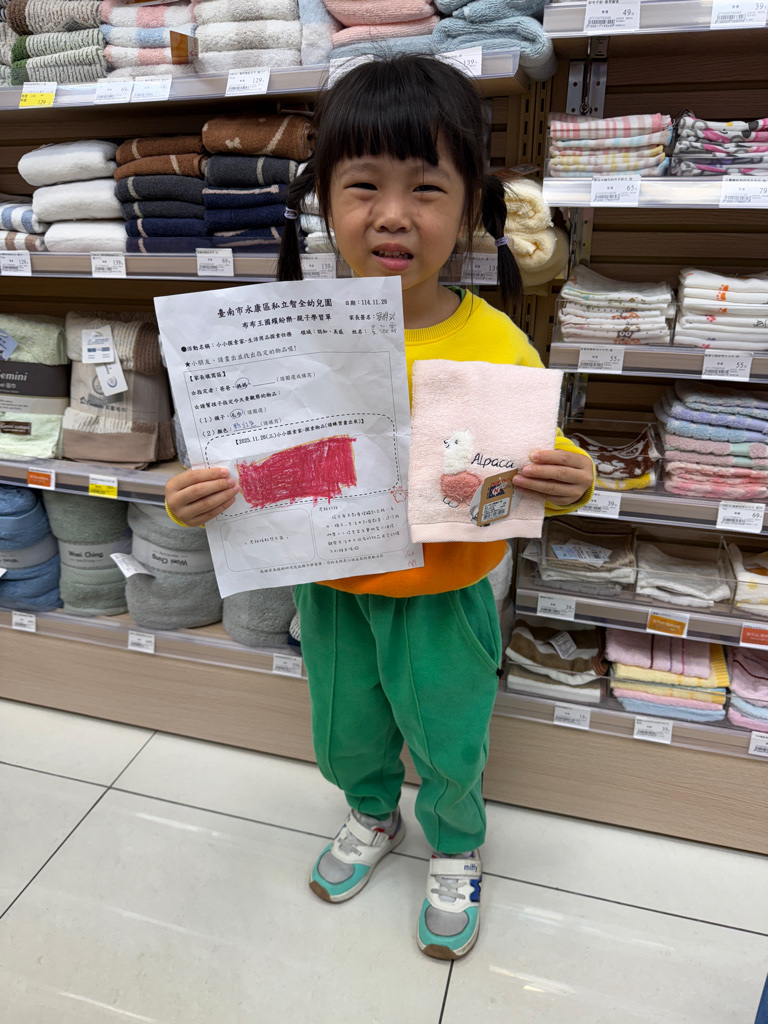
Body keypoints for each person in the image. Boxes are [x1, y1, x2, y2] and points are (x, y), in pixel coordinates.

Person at [165, 54, 595, 961]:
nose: (393, 214)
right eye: (363, 185)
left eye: (426, 188)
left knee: (449, 738)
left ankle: (456, 844)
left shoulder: (495, 340)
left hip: (445, 594)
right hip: (333, 589)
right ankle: (370, 812)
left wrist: (573, 476)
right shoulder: (283, 336)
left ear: (470, 206)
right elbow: (253, 468)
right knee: (343, 731)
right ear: (325, 200)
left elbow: (537, 460)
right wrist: (199, 496)